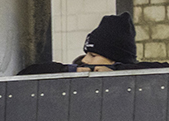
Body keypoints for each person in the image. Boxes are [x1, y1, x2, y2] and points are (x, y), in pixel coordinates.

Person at [19, 12, 169, 74]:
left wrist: (117, 71)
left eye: (93, 55)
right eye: (87, 54)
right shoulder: (79, 70)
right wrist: (69, 70)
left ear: (114, 59)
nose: (85, 60)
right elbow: (26, 74)